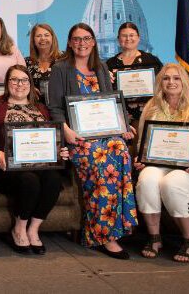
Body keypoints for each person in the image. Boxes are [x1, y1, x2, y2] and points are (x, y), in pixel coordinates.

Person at [48, 23, 138, 259]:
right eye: (77, 39)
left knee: (121, 150)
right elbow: (54, 108)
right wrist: (65, 130)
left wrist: (123, 125)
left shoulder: (101, 67)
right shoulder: (60, 69)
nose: (82, 43)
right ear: (70, 43)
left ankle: (119, 226)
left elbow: (111, 102)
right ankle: (104, 235)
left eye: (87, 38)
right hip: (78, 137)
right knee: (101, 159)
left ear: (94, 42)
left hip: (106, 134)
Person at [134, 63, 189, 263]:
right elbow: (142, 143)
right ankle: (154, 237)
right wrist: (141, 157)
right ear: (160, 82)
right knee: (146, 180)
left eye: (176, 78)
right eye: (166, 78)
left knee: (172, 183)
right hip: (161, 163)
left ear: (185, 81)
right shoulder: (151, 106)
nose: (171, 82)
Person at [0, 64, 68, 255]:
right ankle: (19, 229)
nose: (19, 84)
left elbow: (52, 139)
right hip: (6, 169)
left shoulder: (42, 108)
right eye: (14, 79)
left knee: (54, 179)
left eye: (24, 80)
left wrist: (60, 152)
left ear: (30, 84)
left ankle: (33, 229)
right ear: (7, 83)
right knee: (29, 180)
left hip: (40, 166)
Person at [106, 22, 163, 123]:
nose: (128, 39)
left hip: (148, 115)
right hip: (120, 118)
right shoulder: (109, 64)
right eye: (124, 36)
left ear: (138, 38)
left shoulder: (152, 61)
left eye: (132, 35)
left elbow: (162, 86)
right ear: (118, 39)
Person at [24, 23, 62, 98]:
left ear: (52, 38)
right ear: (33, 40)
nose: (43, 38)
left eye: (46, 35)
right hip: (35, 104)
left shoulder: (63, 59)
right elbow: (21, 83)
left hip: (59, 104)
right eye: (38, 36)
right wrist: (29, 89)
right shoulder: (26, 62)